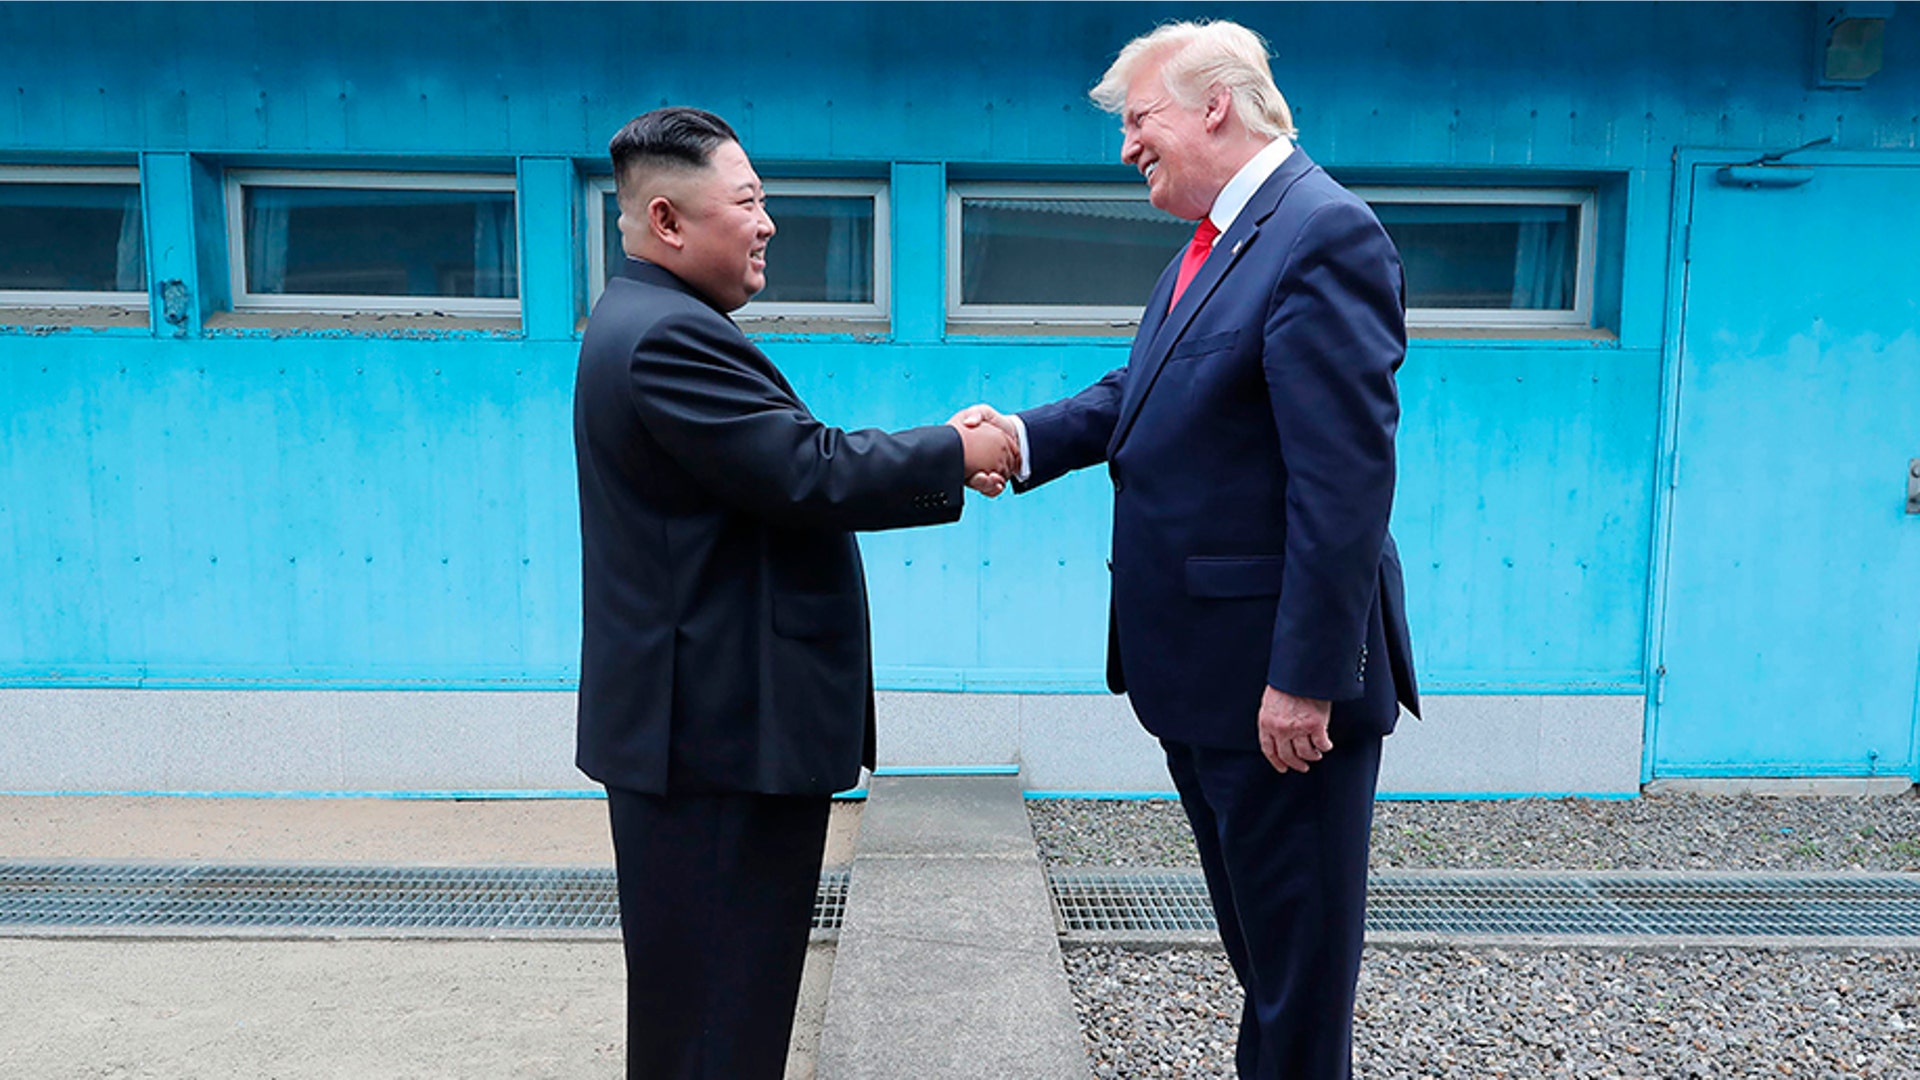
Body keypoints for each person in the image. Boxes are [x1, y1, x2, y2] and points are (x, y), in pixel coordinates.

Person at [962, 20, 1419, 1079]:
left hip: (1276, 697)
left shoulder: (1323, 233)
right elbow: (1147, 392)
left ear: (1215, 105)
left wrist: (1305, 680)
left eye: (1139, 119)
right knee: (1267, 964)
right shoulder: (1218, 243)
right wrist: (1021, 438)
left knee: (1297, 989)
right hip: (1210, 684)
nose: (1126, 147)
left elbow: (1343, 484)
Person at [572, 106, 1018, 1080]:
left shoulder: (649, 320)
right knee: (719, 1026)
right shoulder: (665, 337)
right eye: (746, 203)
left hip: (709, 736)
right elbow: (807, 470)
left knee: (708, 1018)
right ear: (667, 221)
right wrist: (958, 450)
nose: (767, 223)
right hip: (716, 746)